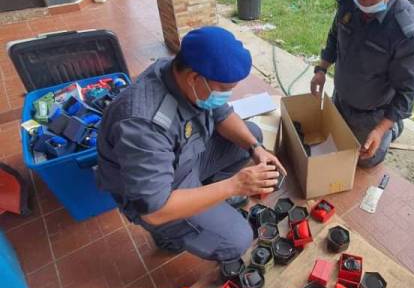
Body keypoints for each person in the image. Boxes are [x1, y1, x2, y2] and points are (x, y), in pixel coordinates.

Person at [97, 26, 285, 262]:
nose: (225, 96)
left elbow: (222, 114)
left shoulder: (183, 74)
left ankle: (206, 199)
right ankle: (168, 235)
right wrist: (235, 185)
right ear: (195, 78)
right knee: (237, 239)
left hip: (185, 161)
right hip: (160, 197)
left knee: (251, 135)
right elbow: (156, 210)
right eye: (225, 91)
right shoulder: (143, 125)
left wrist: (255, 148)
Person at [310, 0, 414, 167]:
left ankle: (392, 128)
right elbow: (335, 35)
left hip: (374, 110)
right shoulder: (348, 4)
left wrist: (381, 128)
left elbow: (410, 89)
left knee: (365, 160)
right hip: (342, 97)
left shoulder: (407, 32)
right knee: (330, 144)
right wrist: (321, 69)